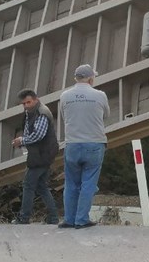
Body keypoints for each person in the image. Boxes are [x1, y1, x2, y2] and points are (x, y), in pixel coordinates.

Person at [58, 64, 110, 230]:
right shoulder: (100, 95)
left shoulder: (65, 96)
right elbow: (106, 115)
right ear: (91, 78)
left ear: (75, 78)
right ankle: (81, 219)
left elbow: (63, 116)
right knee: (88, 183)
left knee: (71, 183)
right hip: (94, 143)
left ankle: (69, 219)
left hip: (72, 143)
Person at [11, 89, 60, 225]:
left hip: (42, 154)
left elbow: (39, 135)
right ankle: (53, 217)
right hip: (41, 153)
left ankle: (24, 217)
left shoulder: (41, 113)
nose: (26, 105)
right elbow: (29, 131)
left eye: (28, 102)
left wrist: (22, 141)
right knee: (41, 186)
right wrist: (23, 141)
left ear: (36, 100)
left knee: (28, 184)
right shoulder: (30, 112)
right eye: (24, 103)